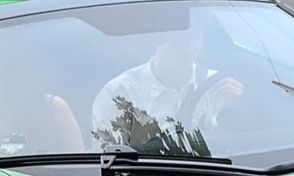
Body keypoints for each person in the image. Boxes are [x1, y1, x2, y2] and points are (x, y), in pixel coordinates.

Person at [89, 32, 242, 153]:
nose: (189, 49)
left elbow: (232, 144)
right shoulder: (118, 94)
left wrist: (236, 109)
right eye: (179, 41)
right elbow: (107, 160)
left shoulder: (218, 86)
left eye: (195, 38)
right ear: (157, 43)